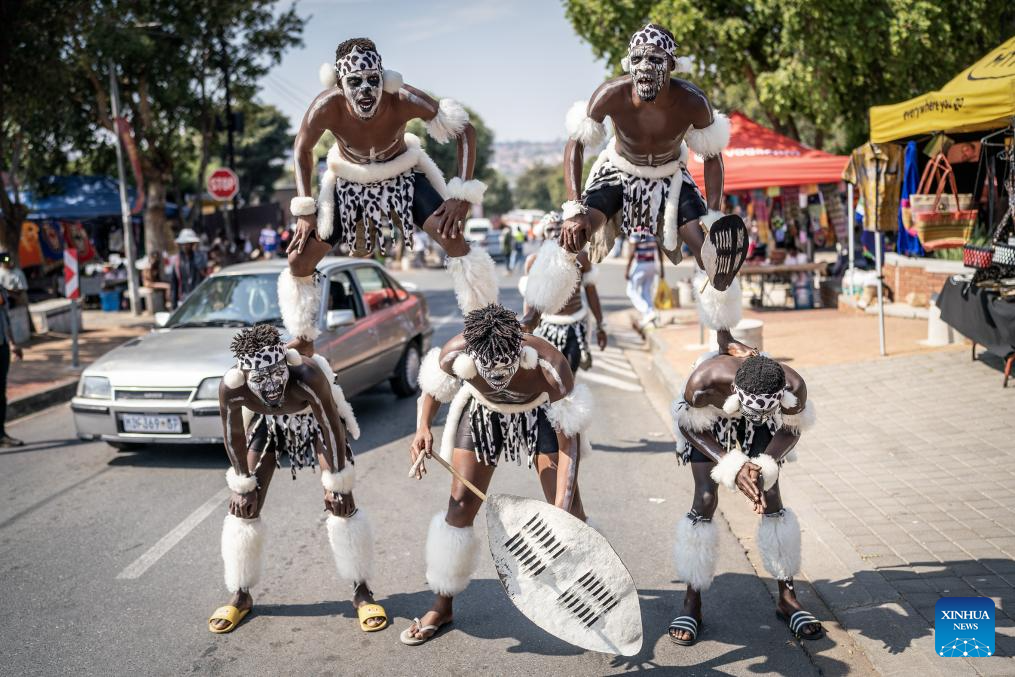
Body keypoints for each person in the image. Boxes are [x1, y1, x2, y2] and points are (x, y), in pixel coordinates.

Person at [525, 24, 750, 356]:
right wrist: (573, 208)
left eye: (655, 59)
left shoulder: (692, 101)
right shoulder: (611, 94)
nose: (645, 66)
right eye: (638, 58)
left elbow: (713, 155)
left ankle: (724, 337)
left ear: (672, 64)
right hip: (619, 171)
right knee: (573, 233)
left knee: (710, 250)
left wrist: (713, 215)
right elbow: (576, 145)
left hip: (670, 176)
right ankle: (531, 318)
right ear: (628, 63)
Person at [283, 37, 497, 355]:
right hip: (349, 181)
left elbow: (464, 129)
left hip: (402, 175)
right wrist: (305, 210)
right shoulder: (326, 106)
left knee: (453, 238)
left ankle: (485, 323)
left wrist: (461, 195)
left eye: (373, 81)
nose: (366, 91)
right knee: (299, 259)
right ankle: (304, 336)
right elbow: (302, 149)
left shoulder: (403, 98)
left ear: (385, 80)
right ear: (339, 85)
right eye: (354, 82)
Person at [403, 304, 594, 645]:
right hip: (482, 412)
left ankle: (585, 600)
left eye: (505, 366)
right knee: (459, 508)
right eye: (487, 367)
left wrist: (563, 510)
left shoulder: (549, 363)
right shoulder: (455, 353)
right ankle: (442, 603)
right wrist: (422, 429)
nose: (498, 376)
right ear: (471, 356)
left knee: (570, 512)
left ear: (520, 352)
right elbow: (433, 388)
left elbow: (570, 444)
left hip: (538, 414)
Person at [209, 324, 385, 634]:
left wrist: (338, 482)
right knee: (242, 508)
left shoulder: (307, 375)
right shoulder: (232, 387)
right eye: (260, 379)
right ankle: (240, 594)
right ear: (245, 377)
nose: (273, 384)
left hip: (316, 422)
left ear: (285, 364)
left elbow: (330, 425)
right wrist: (242, 483)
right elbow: (233, 434)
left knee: (342, 503)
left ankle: (361, 591)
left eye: (277, 373)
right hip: (268, 424)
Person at [669, 353, 822, 646]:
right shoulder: (704, 382)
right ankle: (692, 602)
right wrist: (732, 465)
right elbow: (688, 425)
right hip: (706, 417)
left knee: (772, 492)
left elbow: (792, 427)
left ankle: (788, 598)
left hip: (762, 405)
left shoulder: (794, 387)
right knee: (703, 497)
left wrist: (763, 465)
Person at [520, 212, 606, 373]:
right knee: (548, 376)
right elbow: (529, 299)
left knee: (569, 371)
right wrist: (529, 333)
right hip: (546, 325)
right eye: (550, 229)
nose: (555, 233)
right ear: (543, 235)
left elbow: (591, 292)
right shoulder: (533, 261)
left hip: (576, 324)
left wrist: (601, 326)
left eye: (559, 228)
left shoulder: (582, 258)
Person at [0, 284, 24, 447]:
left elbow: (5, 318)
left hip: (2, 345)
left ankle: (1, 435)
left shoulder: (1, 289)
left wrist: (13, 343)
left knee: (1, 393)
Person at [625, 232, 661, 330]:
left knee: (631, 291)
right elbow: (659, 251)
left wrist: (627, 269)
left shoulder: (636, 232)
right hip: (652, 264)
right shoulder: (651, 231)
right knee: (646, 291)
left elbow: (632, 252)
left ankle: (648, 312)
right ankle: (650, 318)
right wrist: (661, 268)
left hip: (641, 264)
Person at [170, 228, 207, 308]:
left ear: (192, 244)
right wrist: (174, 305)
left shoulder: (200, 258)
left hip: (199, 297)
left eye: (188, 244)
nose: (185, 246)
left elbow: (204, 277)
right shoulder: (177, 261)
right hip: (184, 299)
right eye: (183, 244)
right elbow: (174, 285)